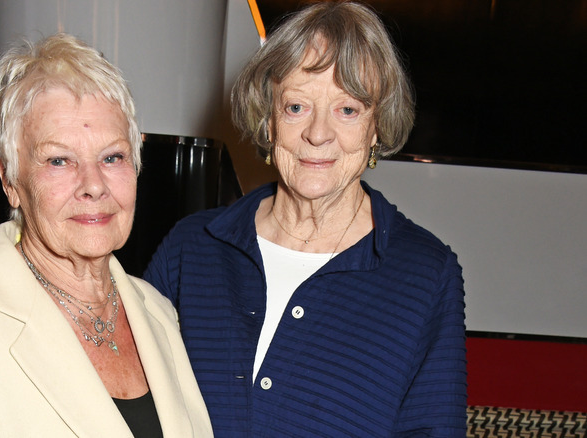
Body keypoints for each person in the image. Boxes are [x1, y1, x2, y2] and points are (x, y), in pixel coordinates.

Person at [144, 2, 467, 436]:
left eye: (347, 110)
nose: (318, 133)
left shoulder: (427, 274)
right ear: (269, 119)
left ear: (376, 128)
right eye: (296, 107)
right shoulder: (193, 246)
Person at [0, 33, 212, 437]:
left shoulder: (158, 313)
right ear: (10, 181)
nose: (93, 185)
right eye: (59, 160)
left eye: (112, 157)